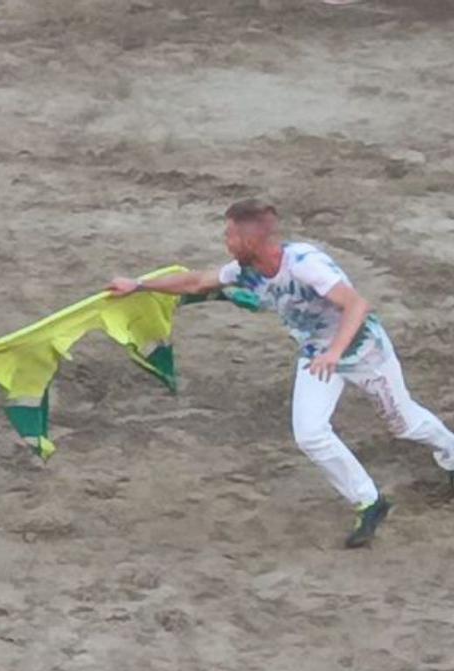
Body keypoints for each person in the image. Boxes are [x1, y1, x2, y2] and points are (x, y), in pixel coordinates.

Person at [108, 198, 454, 548]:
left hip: (364, 354)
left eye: (230, 235)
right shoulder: (245, 270)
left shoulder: (305, 264)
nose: (226, 241)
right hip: (316, 356)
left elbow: (357, 305)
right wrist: (139, 285)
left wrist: (334, 352)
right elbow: (198, 281)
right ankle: (369, 501)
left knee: (404, 424)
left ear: (250, 240)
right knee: (310, 434)